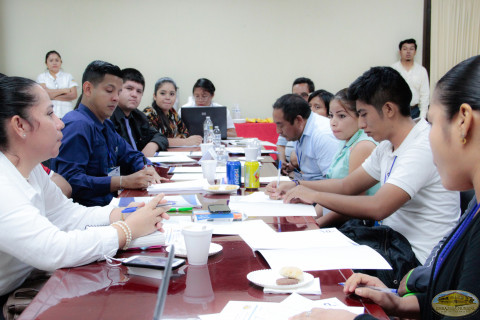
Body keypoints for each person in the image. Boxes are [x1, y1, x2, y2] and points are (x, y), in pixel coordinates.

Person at [290, 54, 480, 320]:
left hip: (409, 255)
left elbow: (378, 207)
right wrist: (401, 303)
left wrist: (354, 319)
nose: (429, 133)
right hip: (403, 257)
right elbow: (461, 304)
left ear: (464, 121)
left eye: (433, 122)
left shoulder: (419, 145)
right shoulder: (474, 209)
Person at [0, 76, 170, 317]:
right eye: (50, 114)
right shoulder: (3, 184)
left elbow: (68, 215)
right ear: (20, 125)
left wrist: (121, 213)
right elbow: (54, 250)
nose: (60, 123)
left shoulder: (32, 168)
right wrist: (126, 230)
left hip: (30, 281)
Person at [267, 67, 459, 265]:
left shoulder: (421, 146)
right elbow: (347, 186)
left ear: (389, 109)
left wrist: (314, 195)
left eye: (364, 114)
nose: (361, 124)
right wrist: (300, 186)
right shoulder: (387, 145)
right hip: (391, 242)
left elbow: (379, 207)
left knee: (309, 260)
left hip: (416, 258)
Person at [52, 60, 163, 207]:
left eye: (118, 92)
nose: (116, 98)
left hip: (110, 204)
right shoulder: (78, 125)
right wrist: (123, 181)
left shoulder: (106, 125)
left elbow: (131, 155)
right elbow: (70, 181)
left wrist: (147, 168)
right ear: (88, 89)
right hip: (86, 212)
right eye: (109, 91)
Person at [315, 89, 379, 226]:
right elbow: (330, 191)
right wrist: (311, 218)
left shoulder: (362, 146)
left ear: (360, 117)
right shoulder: (345, 141)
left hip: (357, 224)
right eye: (331, 116)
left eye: (341, 116)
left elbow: (353, 205)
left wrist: (316, 225)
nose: (332, 122)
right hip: (335, 216)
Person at [272, 94, 339, 181]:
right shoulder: (299, 130)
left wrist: (296, 185)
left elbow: (333, 183)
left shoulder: (323, 135)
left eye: (281, 125)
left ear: (298, 120)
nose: (278, 131)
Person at [110, 68, 168, 156]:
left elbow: (160, 136)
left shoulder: (138, 116)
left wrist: (152, 145)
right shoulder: (108, 116)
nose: (134, 95)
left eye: (139, 91)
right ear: (118, 89)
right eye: (129, 88)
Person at [143, 77, 202, 147]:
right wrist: (184, 141)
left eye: (172, 94)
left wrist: (175, 141)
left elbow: (185, 132)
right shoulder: (149, 113)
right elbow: (155, 141)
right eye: (162, 93)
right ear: (155, 96)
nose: (168, 97)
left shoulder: (172, 112)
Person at [278, 77, 316, 166]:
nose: (298, 99)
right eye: (295, 95)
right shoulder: (288, 115)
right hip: (289, 167)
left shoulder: (314, 120)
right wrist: (282, 162)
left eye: (303, 95)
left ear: (311, 96)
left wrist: (293, 164)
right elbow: (281, 145)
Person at [391, 39, 430, 119]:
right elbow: (389, 93)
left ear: (415, 52)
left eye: (411, 49)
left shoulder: (421, 71)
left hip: (415, 111)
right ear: (400, 52)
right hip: (397, 112)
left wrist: (422, 118)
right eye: (405, 49)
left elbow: (425, 95)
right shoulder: (393, 69)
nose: (408, 52)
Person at [36, 50, 78, 118]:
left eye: (57, 60)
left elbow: (73, 95)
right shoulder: (41, 77)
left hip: (66, 113)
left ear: (61, 62)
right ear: (46, 63)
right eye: (51, 60)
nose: (54, 63)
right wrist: (63, 91)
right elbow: (43, 94)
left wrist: (52, 96)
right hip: (49, 114)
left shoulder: (68, 76)